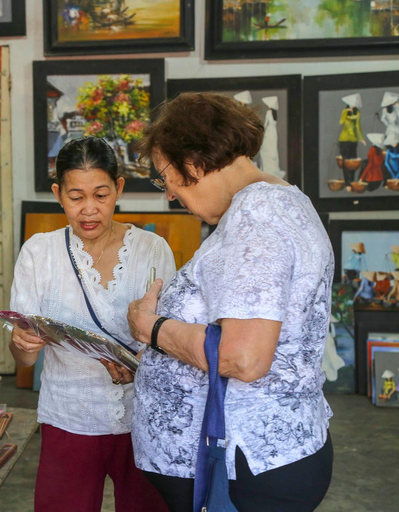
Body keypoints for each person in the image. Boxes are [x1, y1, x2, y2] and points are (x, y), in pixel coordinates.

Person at [104, 93, 334, 512]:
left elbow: (243, 357)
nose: (170, 194)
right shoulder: (281, 201)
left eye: (164, 177)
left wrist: (150, 327)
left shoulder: (256, 217)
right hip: (266, 457)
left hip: (244, 467)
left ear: (191, 163)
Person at [9, 136, 174, 512]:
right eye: (75, 197)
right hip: (69, 417)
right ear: (57, 194)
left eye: (100, 195)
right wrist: (22, 345)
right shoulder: (40, 253)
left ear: (118, 188)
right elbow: (23, 361)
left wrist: (141, 367)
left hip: (142, 418)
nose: (89, 210)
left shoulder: (152, 250)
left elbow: (173, 340)